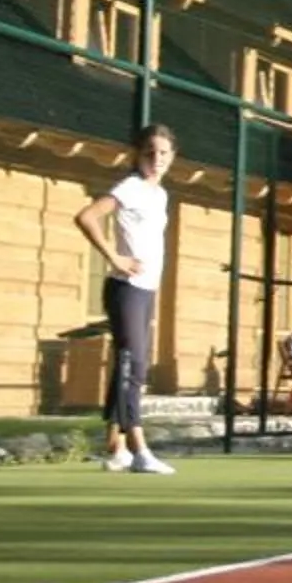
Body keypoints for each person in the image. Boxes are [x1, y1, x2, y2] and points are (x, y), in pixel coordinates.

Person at [72, 123, 178, 474]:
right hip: (126, 288)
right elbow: (87, 217)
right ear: (137, 154)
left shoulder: (160, 195)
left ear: (172, 157)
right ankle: (139, 448)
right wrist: (114, 257)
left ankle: (116, 448)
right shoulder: (130, 187)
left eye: (163, 153)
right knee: (135, 367)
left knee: (127, 366)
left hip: (146, 289)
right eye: (150, 152)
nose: (156, 158)